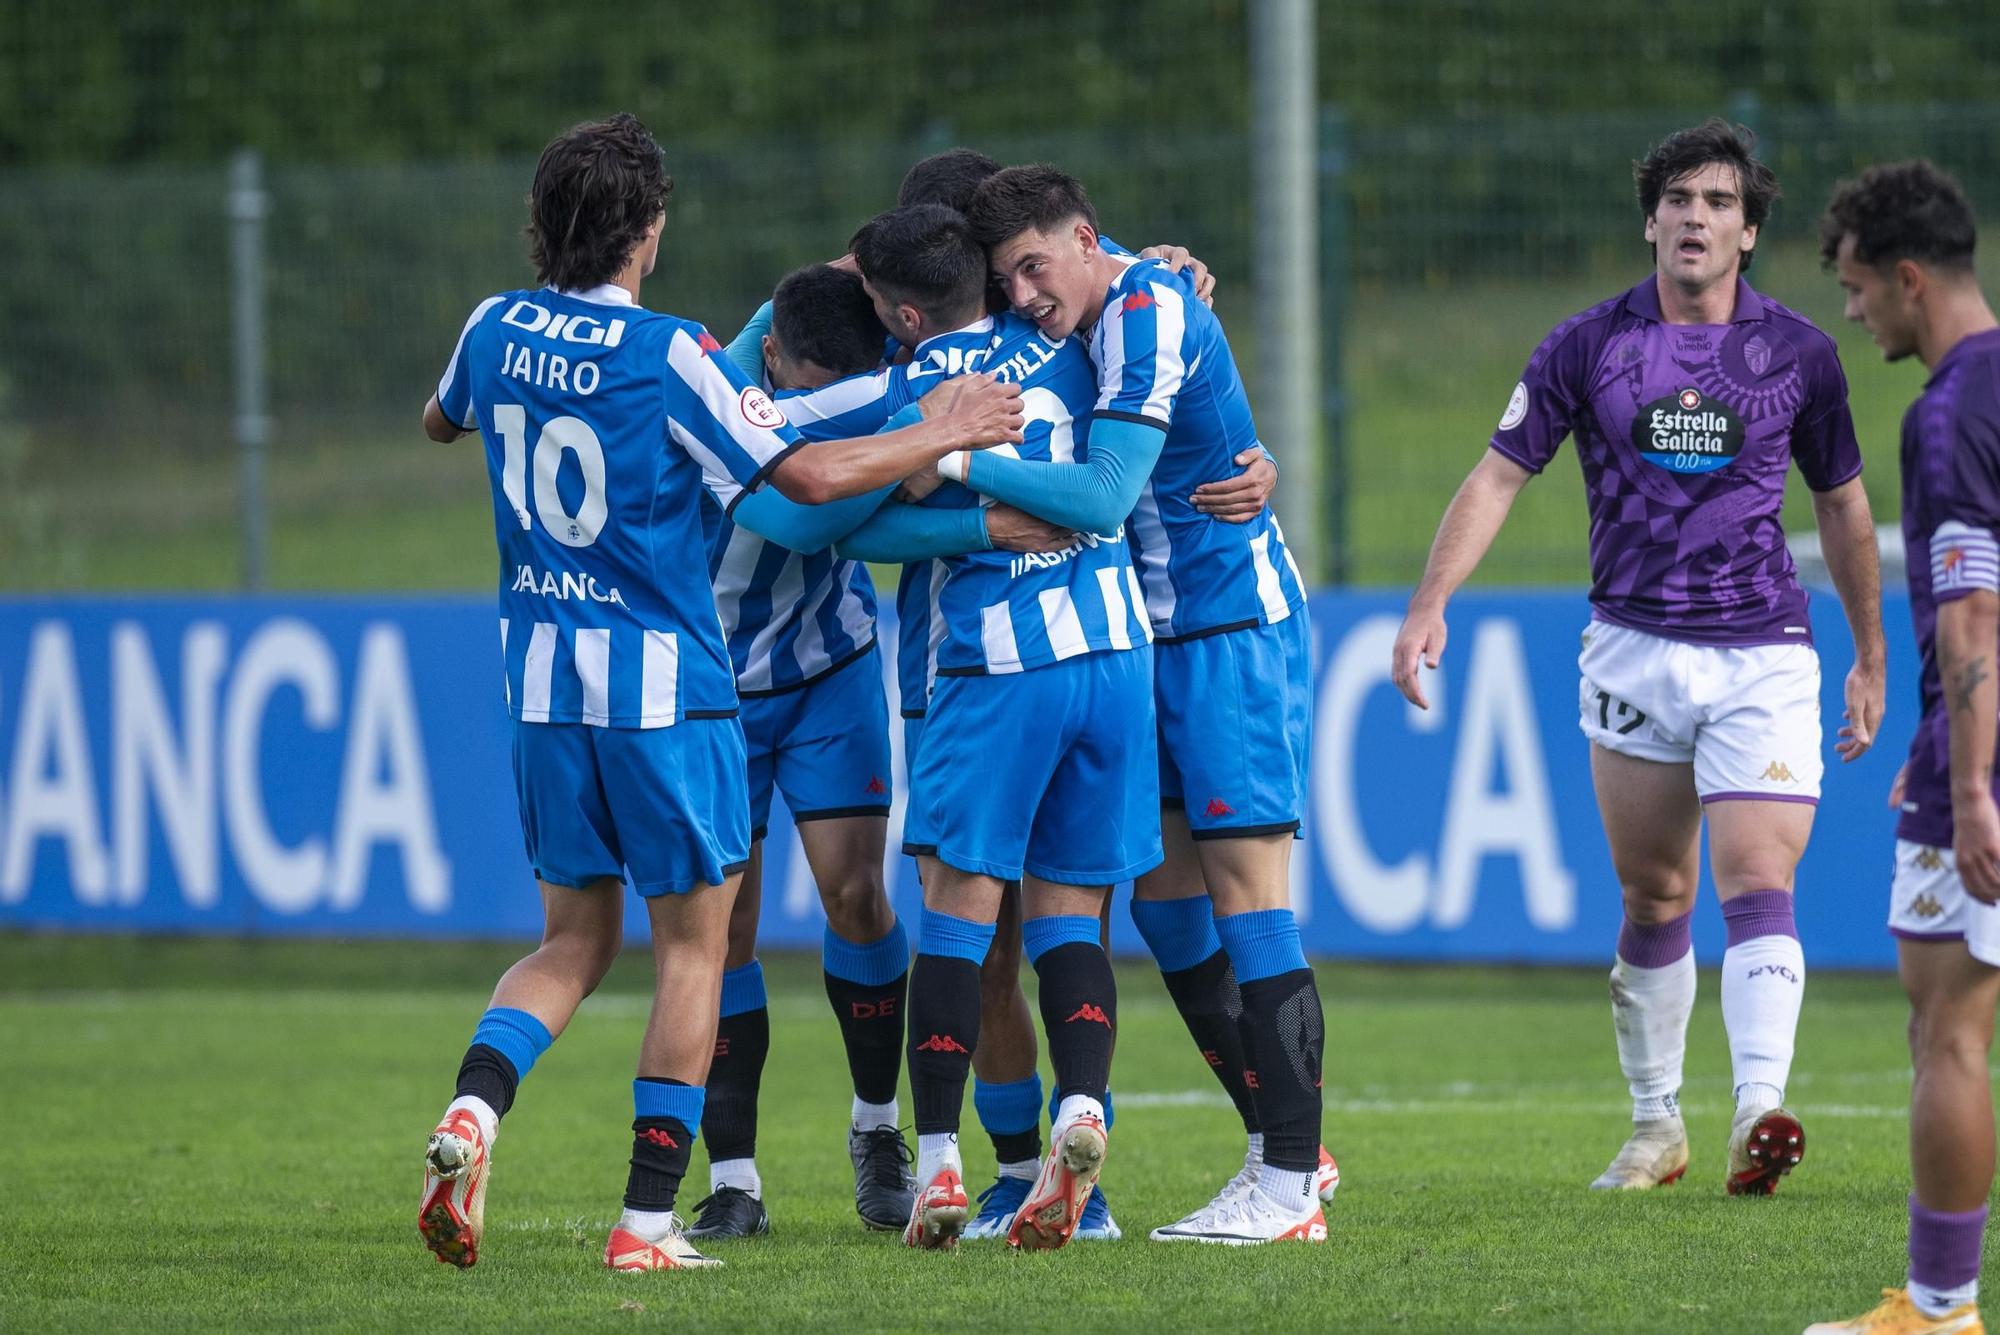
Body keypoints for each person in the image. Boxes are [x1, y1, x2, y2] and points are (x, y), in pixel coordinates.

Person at [412, 113, 1022, 1274]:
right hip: (670, 691)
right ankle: (657, 1216)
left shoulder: (491, 327)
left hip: (545, 688)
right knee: (698, 947)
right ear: (646, 231)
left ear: (540, 223)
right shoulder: (673, 357)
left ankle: (473, 1112)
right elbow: (798, 478)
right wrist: (938, 430)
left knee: (574, 943)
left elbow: (439, 420)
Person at [1389, 119, 1886, 1196]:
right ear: (1649, 220)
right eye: (1675, 200)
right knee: (1652, 894)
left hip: (1760, 650)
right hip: (1630, 648)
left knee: (1756, 878)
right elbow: (1494, 477)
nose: (1693, 217)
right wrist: (1429, 603)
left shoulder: (1798, 353)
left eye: (1716, 203)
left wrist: (1868, 653)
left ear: (1748, 231)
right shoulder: (1585, 345)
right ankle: (1654, 1125)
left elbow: (1842, 509)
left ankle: (1757, 1107)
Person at [965, 165, 1334, 1245]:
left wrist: (955, 463)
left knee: (1249, 898)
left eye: (1035, 267)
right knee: (1171, 913)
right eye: (1005, 278)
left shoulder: (1144, 305)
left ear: (1083, 239)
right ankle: (1290, 1150)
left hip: (1227, 632)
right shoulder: (1091, 291)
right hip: (1144, 642)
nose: (1024, 293)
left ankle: (1284, 1188)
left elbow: (1110, 494)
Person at [787, 201, 1160, 1250]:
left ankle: (943, 1168)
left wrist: (944, 477)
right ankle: (1080, 1122)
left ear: (901, 313)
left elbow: (851, 517)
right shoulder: (1068, 341)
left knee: (955, 919)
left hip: (999, 666)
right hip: (1114, 651)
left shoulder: (912, 391)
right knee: (1068, 920)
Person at [683, 263, 916, 1243]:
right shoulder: (707, 392)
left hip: (830, 669)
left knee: (856, 898)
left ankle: (876, 1132)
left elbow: (939, 265)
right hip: (712, 689)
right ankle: (733, 1179)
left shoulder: (875, 385)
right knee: (723, 928)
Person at [1807, 160, 2000, 1335]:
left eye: (1856, 286)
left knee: (1946, 1030)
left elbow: (1974, 611)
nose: (1849, 310)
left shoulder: (1948, 412)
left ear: (1908, 278)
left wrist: (1967, 778)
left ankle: (1936, 1309)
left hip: (1981, 757)